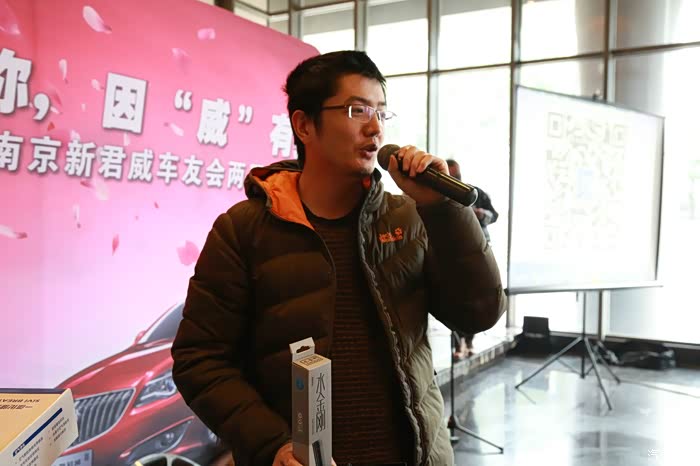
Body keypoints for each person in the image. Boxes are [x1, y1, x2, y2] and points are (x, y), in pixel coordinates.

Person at [171, 51, 506, 466]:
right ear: (304, 125)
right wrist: (272, 444)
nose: (375, 127)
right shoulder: (244, 230)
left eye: (381, 112)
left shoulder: (409, 217)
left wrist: (444, 209)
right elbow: (200, 359)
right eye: (357, 110)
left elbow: (478, 314)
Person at [445, 159, 500, 359]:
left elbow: (494, 215)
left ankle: (469, 341)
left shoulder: (473, 193)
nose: (455, 179)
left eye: (457, 175)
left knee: (478, 298)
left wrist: (481, 214)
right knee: (456, 300)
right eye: (450, 175)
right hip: (452, 254)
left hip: (479, 251)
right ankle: (458, 344)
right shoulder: (439, 197)